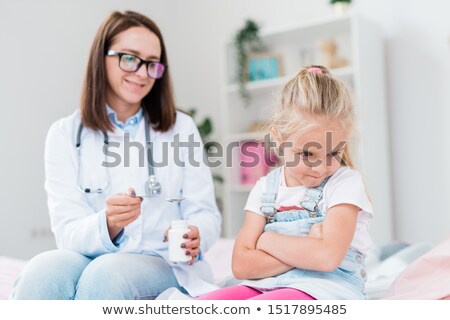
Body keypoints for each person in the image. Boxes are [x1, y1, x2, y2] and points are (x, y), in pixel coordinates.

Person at [11, 10, 221, 300]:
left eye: (152, 64)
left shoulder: (180, 128)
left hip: (162, 259)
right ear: (102, 58)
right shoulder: (64, 134)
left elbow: (205, 211)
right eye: (130, 58)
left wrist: (197, 233)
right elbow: (67, 230)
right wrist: (108, 223)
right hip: (90, 254)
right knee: (41, 271)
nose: (142, 72)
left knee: (108, 275)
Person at [198, 65, 373, 300]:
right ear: (279, 139)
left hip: (327, 289)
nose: (320, 168)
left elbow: (326, 257)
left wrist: (267, 240)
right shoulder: (264, 188)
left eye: (333, 153)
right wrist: (307, 246)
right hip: (268, 284)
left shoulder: (345, 183)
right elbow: (241, 265)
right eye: (308, 154)